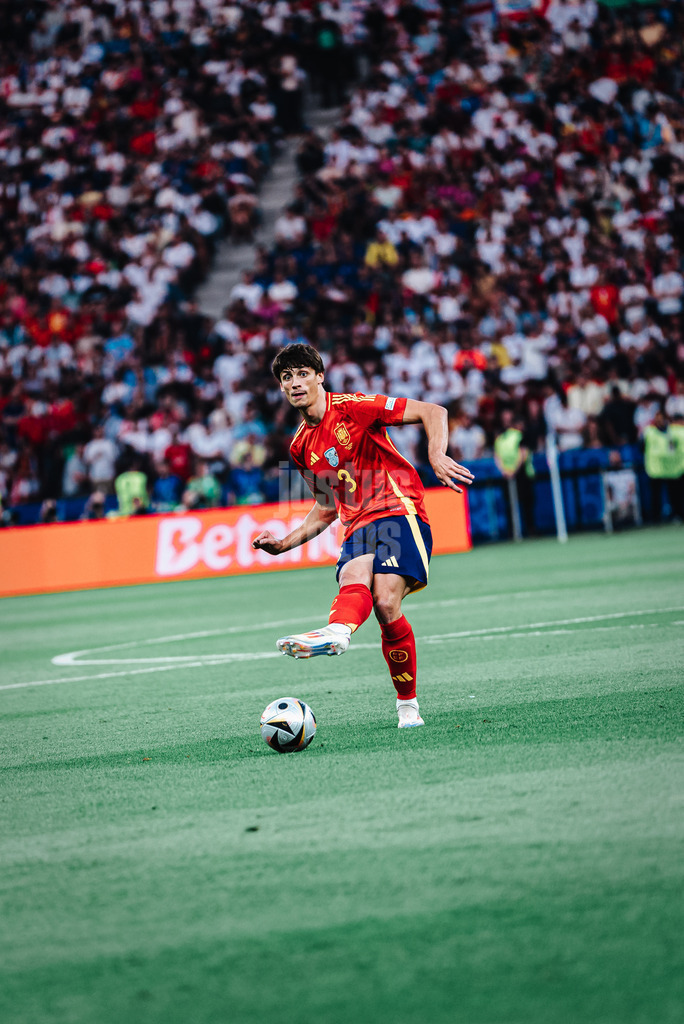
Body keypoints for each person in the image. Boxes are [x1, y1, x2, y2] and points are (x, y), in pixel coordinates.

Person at [252, 344, 474, 729]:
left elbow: (432, 411)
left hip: (397, 508)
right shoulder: (300, 447)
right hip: (356, 523)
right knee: (353, 575)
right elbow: (326, 508)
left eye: (303, 373)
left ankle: (408, 705)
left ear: (320, 377)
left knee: (386, 603)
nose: (295, 382)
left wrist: (437, 453)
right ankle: (336, 632)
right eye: (287, 378)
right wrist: (283, 543)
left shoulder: (352, 406)